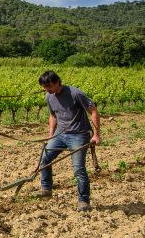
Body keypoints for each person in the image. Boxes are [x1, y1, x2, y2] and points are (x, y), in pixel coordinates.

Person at [35, 70, 101, 212]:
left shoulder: (75, 93)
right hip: (60, 134)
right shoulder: (49, 96)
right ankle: (46, 188)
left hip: (79, 134)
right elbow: (53, 116)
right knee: (45, 159)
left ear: (57, 82)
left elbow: (93, 111)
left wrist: (96, 135)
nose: (47, 90)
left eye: (49, 86)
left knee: (78, 169)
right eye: (45, 87)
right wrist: (51, 135)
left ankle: (84, 201)